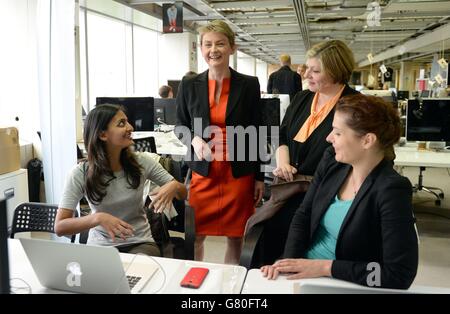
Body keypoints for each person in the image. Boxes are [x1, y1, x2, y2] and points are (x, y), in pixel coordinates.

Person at [261, 94, 418, 289]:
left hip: (344, 282)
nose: (328, 138)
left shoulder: (391, 190)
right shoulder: (332, 162)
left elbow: (398, 275)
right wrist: (290, 264)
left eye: (337, 133)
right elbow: (304, 215)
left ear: (367, 140)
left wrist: (326, 268)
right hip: (306, 273)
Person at [248, 40, 358, 267]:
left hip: (325, 192)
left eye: (315, 71)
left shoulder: (355, 105)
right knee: (261, 235)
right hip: (289, 186)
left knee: (285, 236)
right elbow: (282, 134)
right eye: (308, 68)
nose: (306, 74)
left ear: (336, 71)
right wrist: (284, 162)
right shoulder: (302, 98)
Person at [175, 20, 264, 264]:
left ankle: (229, 286)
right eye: (208, 44)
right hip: (203, 172)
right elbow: (179, 125)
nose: (213, 50)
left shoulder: (249, 84)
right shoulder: (189, 84)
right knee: (197, 235)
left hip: (238, 172)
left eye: (220, 44)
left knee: (236, 236)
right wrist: (193, 139)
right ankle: (195, 283)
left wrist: (259, 177)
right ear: (201, 48)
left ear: (232, 48)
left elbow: (258, 131)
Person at [55, 104, 187, 256]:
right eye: (122, 124)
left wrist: (174, 186)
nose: (130, 127)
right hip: (100, 246)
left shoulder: (143, 162)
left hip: (140, 242)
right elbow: (60, 226)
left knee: (139, 270)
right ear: (103, 135)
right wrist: (98, 218)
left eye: (127, 121)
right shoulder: (80, 173)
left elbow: (183, 193)